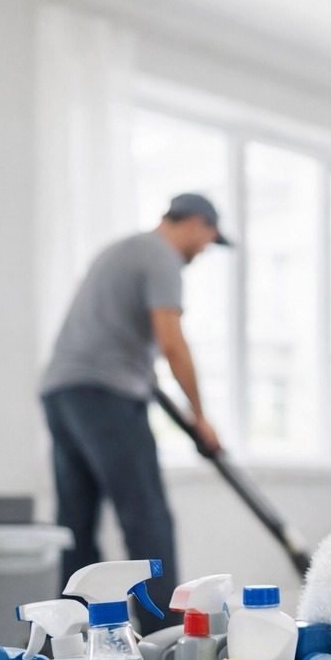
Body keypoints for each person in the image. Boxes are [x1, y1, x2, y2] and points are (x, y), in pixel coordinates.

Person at [40, 192, 228, 633]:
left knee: (76, 525)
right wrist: (199, 417)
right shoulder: (162, 257)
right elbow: (171, 342)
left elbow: (114, 334)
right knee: (147, 519)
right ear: (197, 223)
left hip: (61, 392)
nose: (203, 251)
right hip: (106, 396)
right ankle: (168, 643)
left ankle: (73, 645)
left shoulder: (120, 249)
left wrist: (150, 380)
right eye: (209, 239)